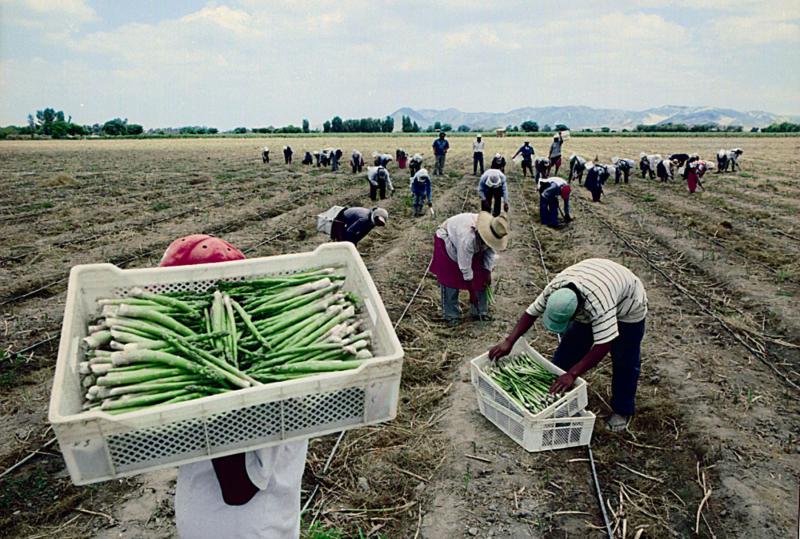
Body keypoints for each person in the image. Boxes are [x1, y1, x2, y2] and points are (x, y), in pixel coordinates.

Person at [165, 234, 308, 539]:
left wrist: (213, 390)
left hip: (248, 529)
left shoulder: (265, 383)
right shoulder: (213, 361)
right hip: (206, 518)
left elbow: (239, 489)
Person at [488, 258, 648, 432]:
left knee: (624, 358)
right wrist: (509, 341)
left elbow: (604, 345)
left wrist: (573, 373)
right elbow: (531, 312)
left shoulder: (598, 305)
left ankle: (622, 409)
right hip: (596, 281)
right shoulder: (556, 289)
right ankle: (556, 395)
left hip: (628, 304)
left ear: (578, 310)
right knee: (571, 346)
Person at [430, 211, 510, 325]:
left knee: (481, 277)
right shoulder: (467, 239)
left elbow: (490, 254)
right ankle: (451, 315)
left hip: (467, 242)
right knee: (450, 277)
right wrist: (472, 294)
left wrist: (487, 273)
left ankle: (479, 312)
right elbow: (465, 268)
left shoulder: (492, 231)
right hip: (447, 237)